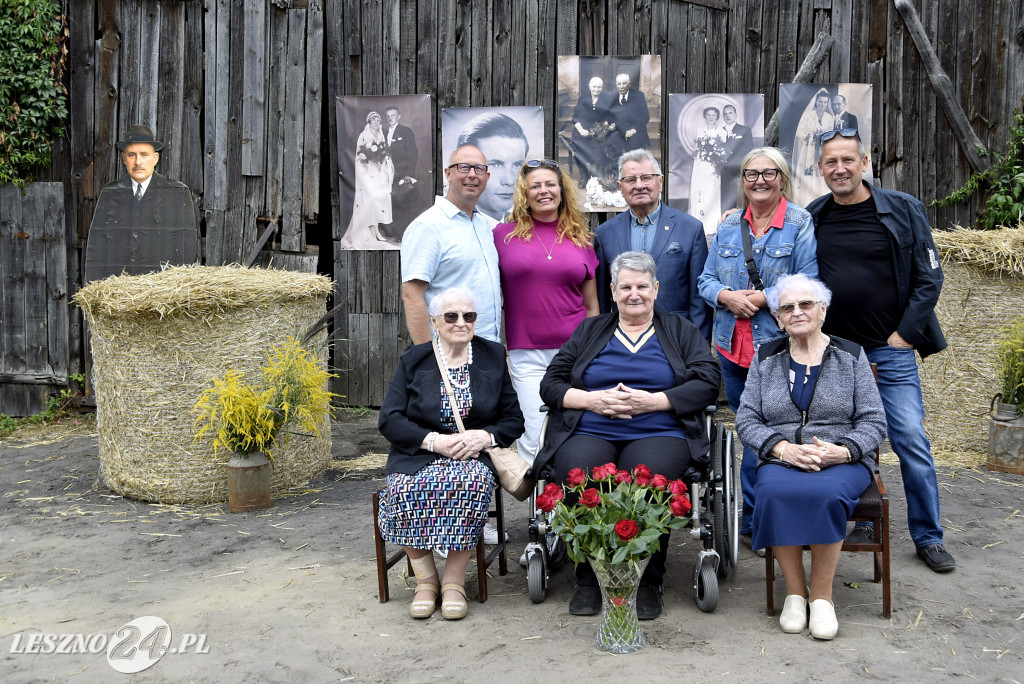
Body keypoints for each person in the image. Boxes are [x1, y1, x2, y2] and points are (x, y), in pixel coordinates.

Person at [536, 251, 721, 620]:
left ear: (655, 288)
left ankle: (647, 580)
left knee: (649, 479)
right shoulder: (591, 330)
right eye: (625, 287)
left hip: (660, 429)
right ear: (612, 290)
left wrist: (655, 402)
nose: (633, 294)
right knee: (579, 472)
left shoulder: (679, 329)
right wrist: (593, 400)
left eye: (641, 286)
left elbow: (708, 381)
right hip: (592, 426)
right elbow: (551, 383)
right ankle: (588, 578)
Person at [808, 128, 955, 573]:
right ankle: (863, 523)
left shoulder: (902, 209)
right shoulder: (814, 216)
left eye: (847, 160)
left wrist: (905, 335)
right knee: (849, 440)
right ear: (820, 169)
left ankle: (928, 536)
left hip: (890, 350)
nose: (840, 169)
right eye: (831, 162)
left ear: (865, 160)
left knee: (909, 436)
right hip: (837, 354)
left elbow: (930, 277)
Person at [735, 273, 887, 640]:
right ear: (777, 316)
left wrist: (844, 451)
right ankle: (794, 593)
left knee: (825, 494)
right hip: (782, 457)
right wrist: (782, 448)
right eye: (787, 307)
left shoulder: (851, 355)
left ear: (823, 309)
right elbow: (746, 418)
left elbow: (874, 419)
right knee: (771, 492)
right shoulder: (766, 356)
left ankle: (821, 599)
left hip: (841, 460)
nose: (797, 312)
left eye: (806, 304)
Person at [378, 287, 524, 620]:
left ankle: (455, 580)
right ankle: (426, 580)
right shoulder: (414, 360)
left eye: (468, 316)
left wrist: (483, 437)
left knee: (469, 485)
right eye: (451, 316)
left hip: (472, 456)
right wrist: (433, 441)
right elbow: (389, 418)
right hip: (420, 452)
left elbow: (513, 419)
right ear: (434, 321)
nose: (461, 322)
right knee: (403, 489)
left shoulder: (491, 355)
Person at [698, 146, 818, 552]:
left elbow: (808, 281)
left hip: (779, 349)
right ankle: (752, 523)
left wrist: (766, 299)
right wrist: (728, 297)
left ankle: (767, 520)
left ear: (782, 179)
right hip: (732, 349)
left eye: (769, 173)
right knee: (750, 434)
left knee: (777, 432)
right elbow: (706, 281)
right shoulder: (731, 225)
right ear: (743, 181)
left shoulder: (800, 223)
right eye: (752, 174)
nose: (760, 180)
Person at [493, 159, 599, 468]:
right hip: (526, 354)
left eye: (550, 184)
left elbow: (591, 305)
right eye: (535, 185)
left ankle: (576, 505)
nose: (544, 191)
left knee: (578, 429)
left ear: (562, 191)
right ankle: (542, 510)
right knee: (534, 431)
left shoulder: (583, 240)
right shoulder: (503, 236)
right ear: (524, 193)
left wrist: (593, 350)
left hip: (575, 352)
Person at [595, 149, 710, 340]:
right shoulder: (604, 233)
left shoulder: (690, 229)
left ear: (661, 181)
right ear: (620, 186)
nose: (639, 185)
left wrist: (699, 351)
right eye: (630, 180)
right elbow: (602, 298)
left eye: (647, 177)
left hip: (676, 336)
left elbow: (699, 299)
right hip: (621, 338)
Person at [401, 145, 503, 345]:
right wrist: (426, 355)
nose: (472, 175)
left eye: (479, 169)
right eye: (464, 167)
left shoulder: (484, 225)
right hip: (448, 352)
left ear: (487, 177)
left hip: (488, 348)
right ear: (448, 174)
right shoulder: (427, 226)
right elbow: (411, 295)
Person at [85, 124, 199, 282]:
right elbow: (96, 249)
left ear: (155, 158)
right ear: (124, 159)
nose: (138, 162)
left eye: (144, 154)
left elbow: (188, 249)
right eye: (132, 155)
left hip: (160, 291)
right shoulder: (110, 192)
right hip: (118, 291)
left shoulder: (176, 193)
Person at [456, 112, 529, 222]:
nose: (509, 180)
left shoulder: (524, 226)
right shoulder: (442, 229)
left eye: (517, 165)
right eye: (496, 164)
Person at [340, 111, 395, 249]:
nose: (377, 123)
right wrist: (368, 159)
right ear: (369, 122)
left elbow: (384, 152)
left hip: (379, 171)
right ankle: (369, 230)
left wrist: (381, 159)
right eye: (374, 120)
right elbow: (359, 156)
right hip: (367, 172)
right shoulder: (364, 136)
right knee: (368, 200)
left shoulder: (381, 135)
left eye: (379, 120)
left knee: (378, 201)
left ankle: (376, 229)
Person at [381, 105, 420, 242]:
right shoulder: (383, 133)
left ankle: (403, 235)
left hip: (402, 175)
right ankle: (393, 233)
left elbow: (413, 154)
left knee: (402, 204)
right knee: (390, 203)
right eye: (388, 116)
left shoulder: (406, 131)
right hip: (386, 176)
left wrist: (409, 174)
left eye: (392, 115)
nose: (390, 118)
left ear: (399, 117)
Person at [791, 89, 835, 204]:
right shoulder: (808, 116)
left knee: (820, 173)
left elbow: (831, 135)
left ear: (827, 103)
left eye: (825, 102)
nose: (822, 105)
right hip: (807, 150)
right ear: (816, 102)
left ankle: (821, 199)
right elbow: (799, 133)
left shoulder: (829, 118)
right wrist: (811, 137)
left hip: (822, 151)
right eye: (820, 102)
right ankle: (805, 201)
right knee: (807, 175)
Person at [688, 106, 727, 236]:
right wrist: (696, 154)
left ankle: (711, 222)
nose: (711, 118)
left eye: (713, 115)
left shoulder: (722, 131)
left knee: (711, 190)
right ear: (705, 117)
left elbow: (723, 151)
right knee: (700, 189)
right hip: (700, 164)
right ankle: (698, 220)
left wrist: (715, 157)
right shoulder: (700, 130)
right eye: (708, 115)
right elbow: (696, 148)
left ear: (717, 117)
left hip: (713, 165)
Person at [571, 76, 617, 185]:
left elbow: (612, 116)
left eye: (599, 87)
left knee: (599, 147)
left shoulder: (607, 99)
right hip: (583, 130)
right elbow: (575, 117)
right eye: (594, 86)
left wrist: (608, 126)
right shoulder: (583, 99)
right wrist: (581, 130)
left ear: (602, 88)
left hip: (599, 130)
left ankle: (595, 174)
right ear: (589, 86)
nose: (596, 89)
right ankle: (584, 176)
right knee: (578, 145)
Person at [719, 104, 755, 212]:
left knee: (738, 198)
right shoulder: (719, 131)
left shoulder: (744, 130)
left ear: (735, 114)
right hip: (722, 171)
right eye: (725, 114)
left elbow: (748, 150)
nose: (728, 116)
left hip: (737, 170)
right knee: (722, 196)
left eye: (730, 113)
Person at [609, 73, 650, 155]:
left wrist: (633, 130)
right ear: (616, 84)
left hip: (635, 131)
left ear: (629, 84)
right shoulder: (612, 98)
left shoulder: (638, 96)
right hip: (618, 131)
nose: (621, 86)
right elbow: (610, 117)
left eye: (624, 83)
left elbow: (645, 116)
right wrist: (611, 124)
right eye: (619, 84)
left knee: (634, 150)